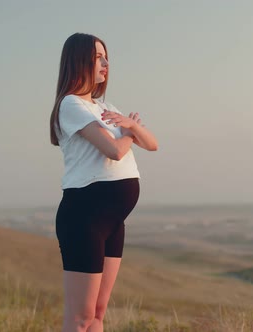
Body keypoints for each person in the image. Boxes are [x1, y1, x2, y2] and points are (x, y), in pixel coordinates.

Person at [49, 32, 158, 332]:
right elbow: (114, 150)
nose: (106, 63)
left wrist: (132, 127)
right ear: (78, 60)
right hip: (85, 216)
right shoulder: (71, 105)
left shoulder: (106, 107)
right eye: (98, 57)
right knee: (80, 317)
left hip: (112, 221)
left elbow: (153, 144)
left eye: (106, 56)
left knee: (98, 313)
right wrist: (128, 133)